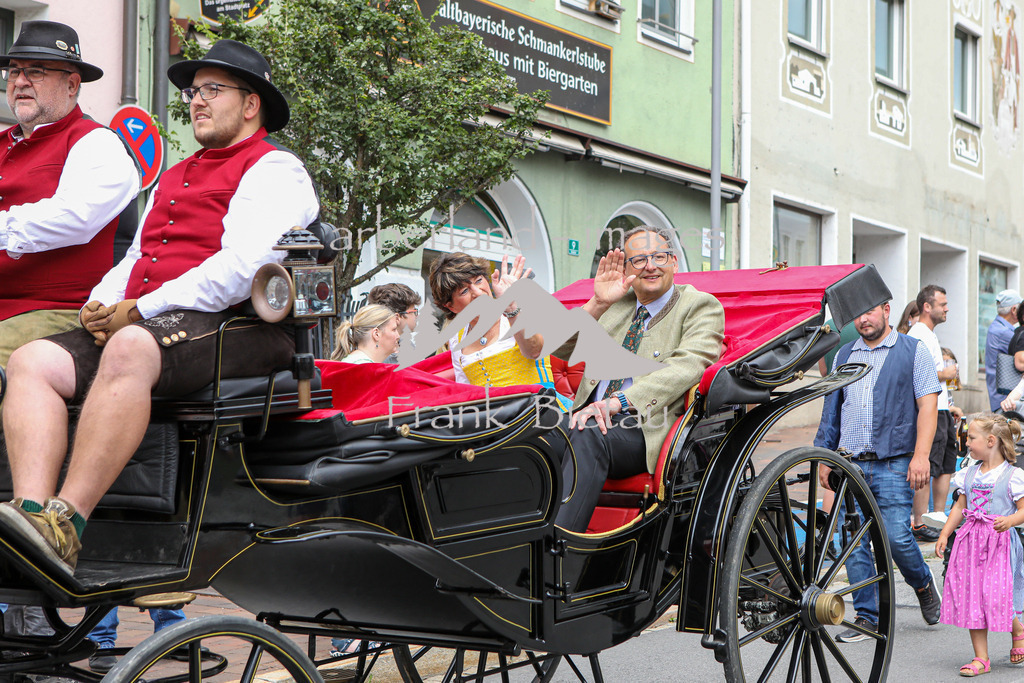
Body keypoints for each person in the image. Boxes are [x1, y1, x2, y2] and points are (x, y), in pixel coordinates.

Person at [0, 39, 319, 577]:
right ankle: (30, 518)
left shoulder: (275, 170)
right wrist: (101, 300)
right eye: (194, 91)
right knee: (32, 361)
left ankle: (67, 522)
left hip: (241, 325)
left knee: (129, 344)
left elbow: (240, 270)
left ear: (250, 105)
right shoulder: (177, 173)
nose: (196, 101)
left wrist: (142, 308)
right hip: (158, 321)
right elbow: (137, 256)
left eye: (212, 90)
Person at [550, 226, 724, 532]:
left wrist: (617, 403)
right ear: (627, 268)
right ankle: (513, 539)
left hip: (645, 427)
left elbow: (688, 366)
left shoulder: (699, 306)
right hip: (588, 417)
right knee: (530, 427)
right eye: (640, 259)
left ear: (674, 263)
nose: (651, 265)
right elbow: (560, 347)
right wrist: (597, 304)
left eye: (659, 256)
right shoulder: (615, 303)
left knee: (589, 433)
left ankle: (558, 552)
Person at [0, 20, 140, 373]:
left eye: (37, 71)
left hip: (58, 312)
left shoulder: (97, 143)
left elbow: (74, 218)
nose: (19, 81)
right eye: (14, 71)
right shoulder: (3, 144)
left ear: (72, 84)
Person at [815, 300, 943, 641]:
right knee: (853, 542)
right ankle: (868, 616)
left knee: (895, 536)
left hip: (894, 459)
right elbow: (831, 409)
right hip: (850, 462)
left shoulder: (912, 351)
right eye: (858, 313)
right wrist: (825, 457)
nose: (863, 318)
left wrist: (921, 456)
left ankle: (923, 583)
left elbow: (927, 407)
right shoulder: (843, 355)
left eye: (869, 311)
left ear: (887, 310)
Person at [936, 413, 1024, 676]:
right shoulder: (968, 474)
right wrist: (944, 533)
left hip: (999, 545)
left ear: (990, 441)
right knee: (974, 597)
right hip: (971, 544)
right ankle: (981, 658)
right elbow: (959, 506)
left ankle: (1017, 628)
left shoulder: (1013, 476)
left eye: (971, 438)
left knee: (997, 596)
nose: (967, 443)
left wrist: (1010, 520)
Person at [428, 252, 571, 409]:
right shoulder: (457, 340)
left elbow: (534, 351)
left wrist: (512, 307)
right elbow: (465, 394)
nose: (477, 292)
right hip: (495, 425)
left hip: (541, 414)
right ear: (451, 306)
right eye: (464, 291)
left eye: (479, 280)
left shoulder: (521, 310)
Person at [907, 285, 959, 543]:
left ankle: (937, 517)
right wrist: (946, 375)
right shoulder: (918, 333)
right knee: (927, 464)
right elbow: (916, 371)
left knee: (947, 461)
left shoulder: (929, 333)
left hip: (941, 407)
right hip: (929, 409)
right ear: (927, 307)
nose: (947, 308)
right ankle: (920, 522)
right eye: (943, 304)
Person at [986, 289, 1023, 410]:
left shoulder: (997, 328)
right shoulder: (1006, 333)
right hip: (1006, 400)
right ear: (1014, 310)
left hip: (1003, 397)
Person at [330, 304, 401, 363]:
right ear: (376, 334)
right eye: (394, 329)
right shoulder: (365, 367)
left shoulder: (357, 362)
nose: (398, 336)